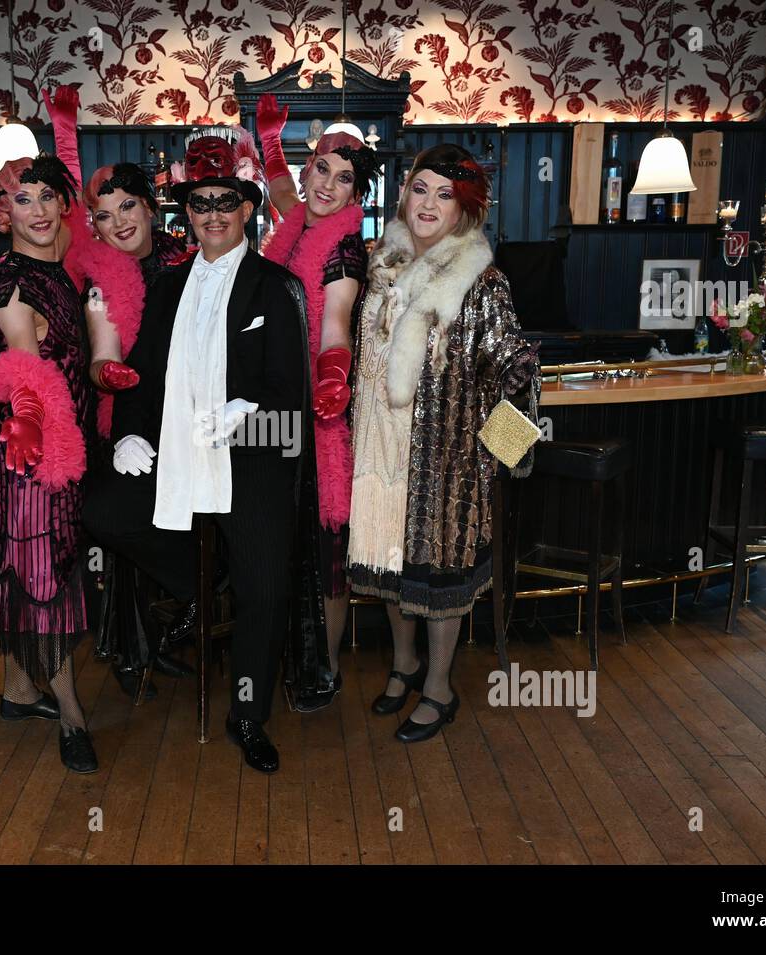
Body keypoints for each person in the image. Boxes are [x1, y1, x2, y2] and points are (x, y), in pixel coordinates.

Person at [82, 133, 319, 774]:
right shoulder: (166, 286)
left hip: (252, 459)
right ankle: (201, 578)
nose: (212, 213)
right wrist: (129, 429)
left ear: (247, 208)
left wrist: (251, 415)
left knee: (265, 588)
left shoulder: (277, 287)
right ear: (185, 210)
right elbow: (138, 372)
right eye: (199, 202)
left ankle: (248, 714)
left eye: (225, 201)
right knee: (102, 506)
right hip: (175, 451)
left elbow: (289, 395)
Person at [348, 143, 540, 742]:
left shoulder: (482, 283)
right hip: (378, 439)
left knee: (437, 574)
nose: (429, 203)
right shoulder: (381, 264)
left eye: (445, 194)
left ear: (465, 208)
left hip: (445, 454)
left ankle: (439, 687)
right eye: (420, 189)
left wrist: (498, 462)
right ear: (405, 194)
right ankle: (403, 665)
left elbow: (517, 371)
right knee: (386, 559)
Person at [41, 86, 198, 699]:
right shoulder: (98, 278)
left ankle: (177, 616)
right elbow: (103, 355)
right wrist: (112, 381)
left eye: (127, 206)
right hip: (124, 427)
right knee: (111, 515)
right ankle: (170, 615)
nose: (118, 222)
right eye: (104, 216)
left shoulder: (190, 264)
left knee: (185, 514)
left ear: (150, 208)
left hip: (190, 424)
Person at [0, 152, 98, 773]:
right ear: (4, 212)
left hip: (67, 444)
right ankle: (72, 715)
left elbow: (70, 211)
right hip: (37, 450)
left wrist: (65, 140)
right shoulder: (13, 286)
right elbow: (29, 380)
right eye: (24, 200)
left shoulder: (60, 252)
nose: (40, 210)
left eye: (49, 197)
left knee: (39, 566)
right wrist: (41, 439)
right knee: (45, 575)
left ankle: (20, 691)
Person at [255, 94, 380, 711]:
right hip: (278, 403)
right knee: (285, 535)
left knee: (326, 536)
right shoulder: (298, 218)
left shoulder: (344, 247)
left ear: (357, 192)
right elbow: (281, 188)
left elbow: (335, 321)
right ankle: (289, 654)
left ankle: (324, 666)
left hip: (319, 409)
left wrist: (332, 380)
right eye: (322, 170)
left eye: (344, 179)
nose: (328, 185)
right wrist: (269, 139)